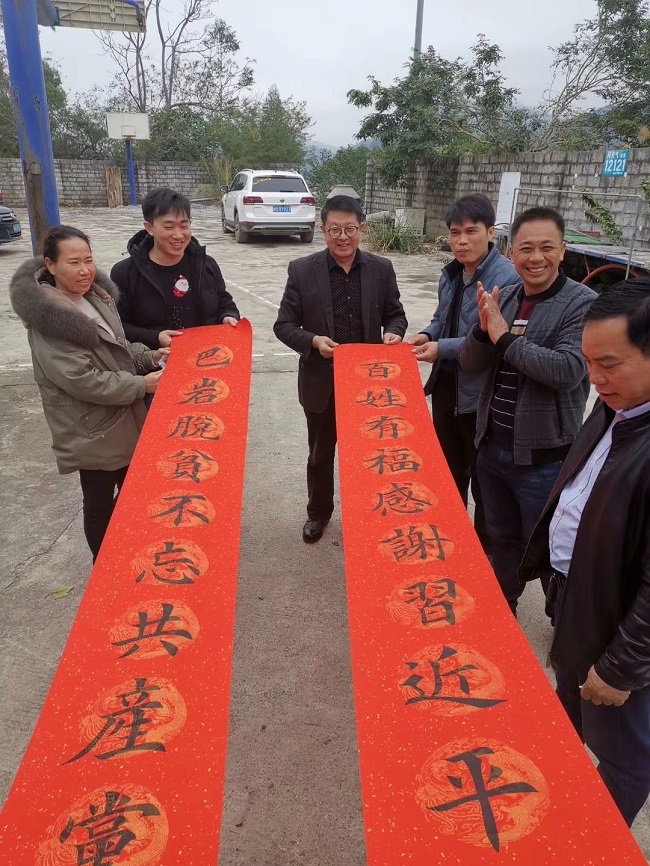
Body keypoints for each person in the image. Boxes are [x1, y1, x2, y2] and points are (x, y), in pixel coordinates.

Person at [520, 279, 650, 827]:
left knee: (625, 755)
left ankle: (594, 842)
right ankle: (560, 797)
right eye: (589, 362)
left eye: (609, 364)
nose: (593, 378)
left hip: (621, 634)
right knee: (569, 706)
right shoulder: (620, 404)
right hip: (578, 600)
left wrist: (621, 669)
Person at [458, 206, 596, 614]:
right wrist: (482, 330)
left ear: (563, 250)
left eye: (547, 248)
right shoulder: (507, 295)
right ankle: (504, 610)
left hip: (545, 460)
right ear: (511, 252)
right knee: (502, 539)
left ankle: (564, 623)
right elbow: (469, 362)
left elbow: (567, 370)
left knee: (555, 551)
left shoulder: (583, 304)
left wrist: (503, 338)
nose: (536, 258)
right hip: (492, 449)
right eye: (526, 248)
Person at [10, 225, 169, 561]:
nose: (84, 270)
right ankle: (105, 568)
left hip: (123, 415)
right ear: (50, 265)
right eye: (73, 262)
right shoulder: (49, 319)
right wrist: (143, 385)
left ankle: (130, 558)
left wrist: (151, 357)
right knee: (99, 503)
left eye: (88, 260)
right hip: (91, 427)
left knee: (136, 493)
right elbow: (83, 380)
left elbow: (118, 348)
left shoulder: (96, 297)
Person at [274, 195, 408, 543]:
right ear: (323, 230)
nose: (343, 237)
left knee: (370, 455)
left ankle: (369, 514)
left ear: (362, 229)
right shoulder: (302, 271)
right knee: (320, 453)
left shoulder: (381, 269)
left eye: (350, 229)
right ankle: (318, 513)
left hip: (368, 384)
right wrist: (314, 341)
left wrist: (393, 333)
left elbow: (396, 314)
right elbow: (283, 325)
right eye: (335, 230)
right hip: (322, 382)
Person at [409, 193, 519, 551]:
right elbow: (442, 318)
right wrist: (428, 335)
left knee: (485, 482)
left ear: (491, 232)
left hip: (480, 398)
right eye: (455, 233)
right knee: (447, 474)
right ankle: (451, 543)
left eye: (471, 232)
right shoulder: (451, 274)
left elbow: (490, 337)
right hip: (446, 388)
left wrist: (441, 348)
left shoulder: (506, 279)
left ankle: (484, 554)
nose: (462, 241)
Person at [111, 187, 240, 350]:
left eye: (184, 226)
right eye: (169, 227)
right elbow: (118, 326)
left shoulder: (206, 264)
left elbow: (225, 303)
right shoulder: (125, 273)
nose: (178, 235)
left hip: (207, 356)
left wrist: (228, 316)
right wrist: (155, 338)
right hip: (155, 361)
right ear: (149, 228)